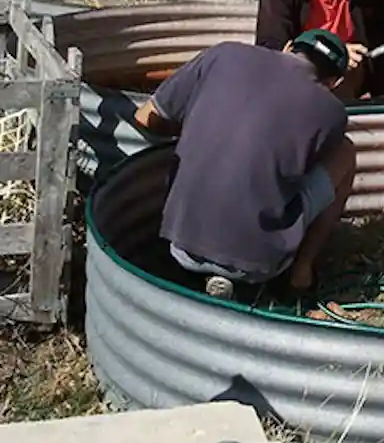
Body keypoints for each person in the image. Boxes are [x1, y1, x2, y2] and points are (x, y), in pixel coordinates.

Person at [133, 30, 357, 300]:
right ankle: (301, 273)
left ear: (287, 47)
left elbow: (145, 118)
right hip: (258, 265)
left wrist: (197, 128)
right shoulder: (332, 112)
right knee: (345, 152)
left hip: (179, 245)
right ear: (335, 82)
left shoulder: (223, 53)